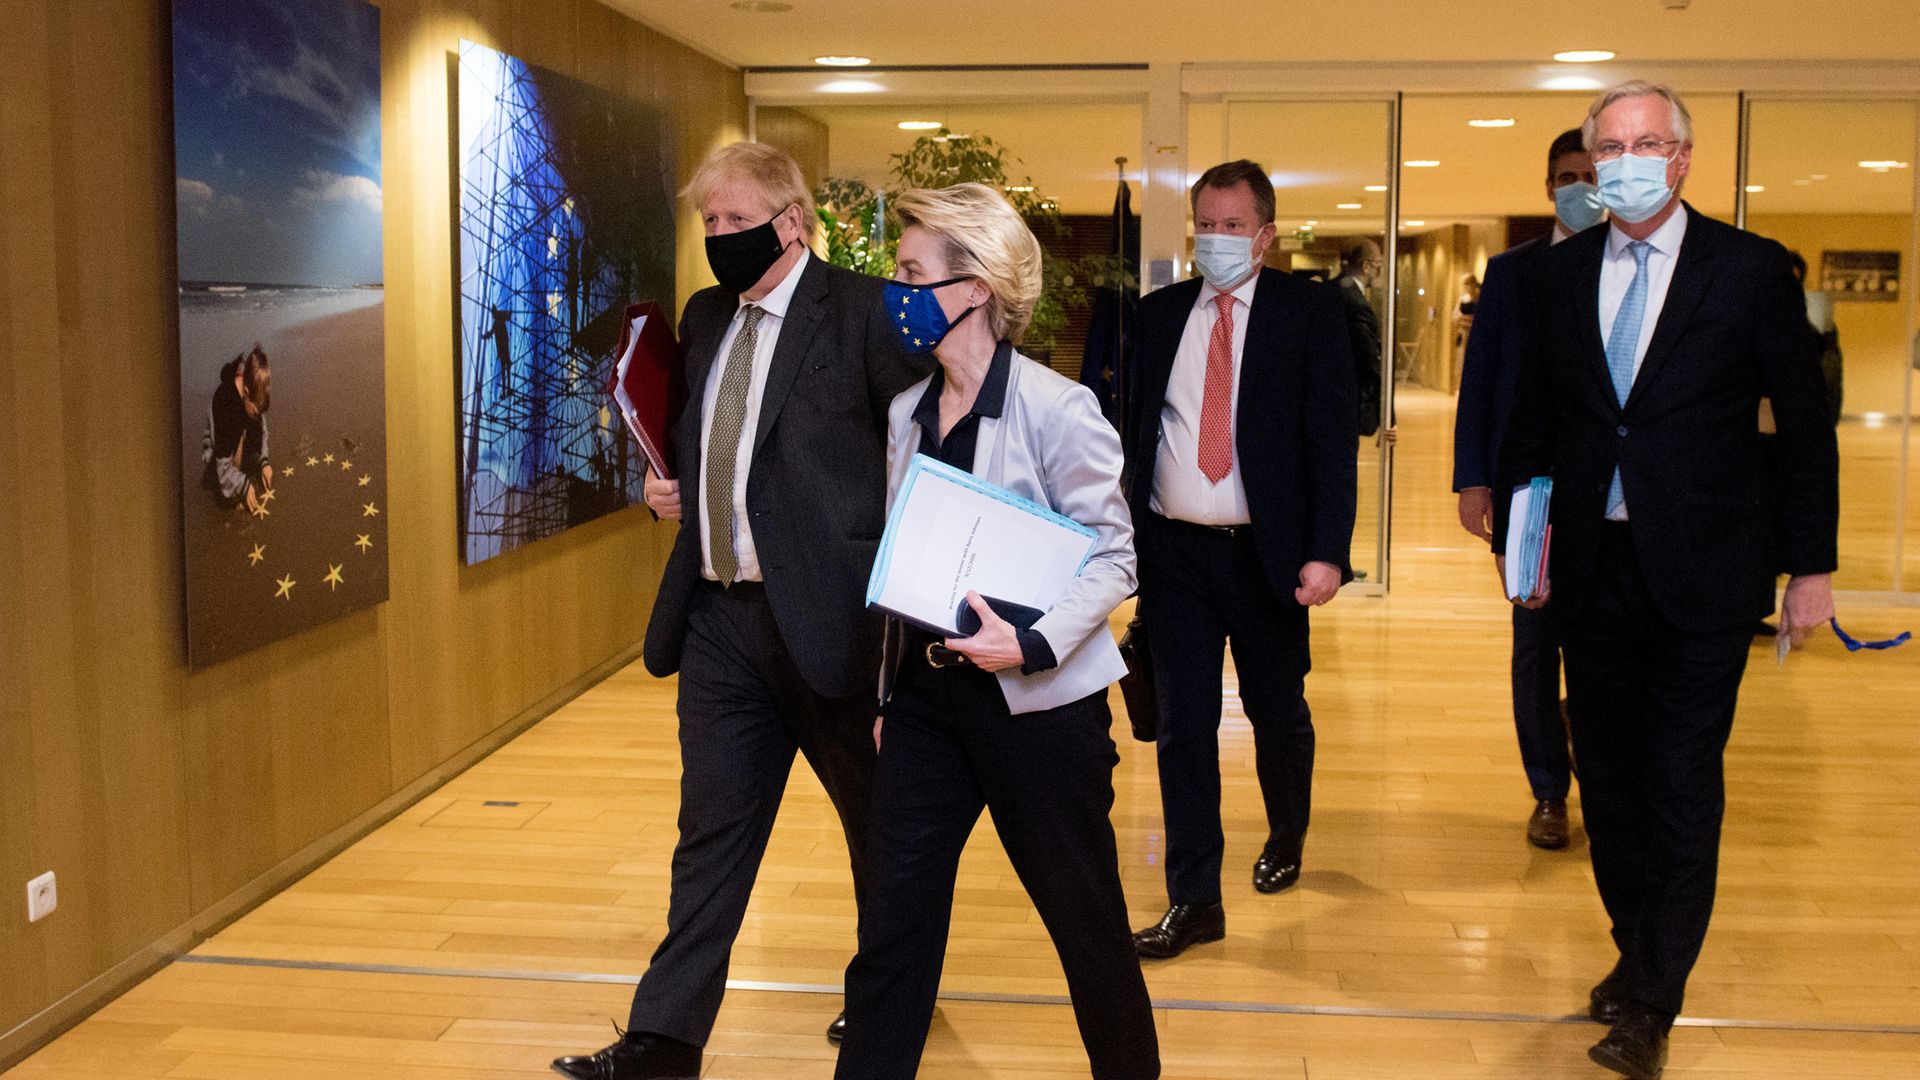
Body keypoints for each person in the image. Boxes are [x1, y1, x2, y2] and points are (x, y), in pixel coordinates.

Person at [553, 142, 926, 1080]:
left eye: (733, 219)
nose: (719, 237)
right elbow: (697, 442)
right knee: (710, 835)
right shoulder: (707, 313)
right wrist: (663, 488)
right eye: (708, 223)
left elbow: (919, 456)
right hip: (719, 619)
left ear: (790, 219)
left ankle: (883, 1007)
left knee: (877, 831)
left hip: (833, 623)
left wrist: (905, 624)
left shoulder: (862, 314)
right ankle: (663, 1039)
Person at [1495, 81, 1838, 1080]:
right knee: (1607, 778)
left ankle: (1652, 997)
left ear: (1684, 158)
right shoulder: (1555, 283)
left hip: (1706, 574)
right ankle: (1636, 948)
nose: (1629, 158)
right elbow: (1533, 427)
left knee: (1681, 784)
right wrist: (1525, 551)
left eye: (1649, 142)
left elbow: (1805, 434)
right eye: (1612, 145)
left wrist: (1810, 567)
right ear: (1592, 162)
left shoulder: (1748, 270)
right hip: (1589, 576)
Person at [834, 182, 1157, 1080]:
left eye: (909, 271)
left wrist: (1034, 642)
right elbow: (908, 569)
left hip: (1041, 713)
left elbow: (1115, 559)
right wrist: (892, 696)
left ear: (973, 287)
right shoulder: (907, 413)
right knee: (891, 936)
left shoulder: (1059, 411)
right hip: (930, 711)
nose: (893, 290)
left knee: (1085, 926)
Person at [1123, 160, 1358, 960]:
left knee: (1275, 710)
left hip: (1268, 557)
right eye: (1206, 224)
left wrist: (1328, 552)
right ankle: (1195, 899)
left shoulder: (1309, 313)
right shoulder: (1157, 318)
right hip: (1175, 553)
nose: (1216, 240)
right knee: (1184, 728)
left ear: (1266, 234)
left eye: (1233, 226)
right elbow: (1131, 434)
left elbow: (1332, 442)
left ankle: (1287, 830)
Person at [1452, 127, 1601, 851]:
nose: (1581, 185)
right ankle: (1549, 789)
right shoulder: (1512, 274)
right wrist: (1473, 480)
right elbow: (1481, 380)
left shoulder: (1636, 269)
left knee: (1604, 639)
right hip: (1530, 495)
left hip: (1611, 496)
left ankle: (1603, 775)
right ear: (1549, 185)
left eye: (1593, 172)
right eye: (1568, 174)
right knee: (1536, 642)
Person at [201, 344, 273, 514]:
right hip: (217, 450)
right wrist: (244, 486)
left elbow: (260, 421)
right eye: (255, 411)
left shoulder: (252, 386)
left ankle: (241, 474)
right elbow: (223, 467)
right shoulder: (226, 407)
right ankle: (233, 490)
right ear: (246, 391)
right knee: (231, 483)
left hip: (239, 423)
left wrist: (264, 461)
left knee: (254, 422)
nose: (258, 415)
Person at [1336, 238, 1386, 439]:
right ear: (1365, 266)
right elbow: (1368, 357)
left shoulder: (1330, 289)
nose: (1378, 272)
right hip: (1348, 397)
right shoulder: (1354, 301)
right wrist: (1386, 413)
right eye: (1377, 265)